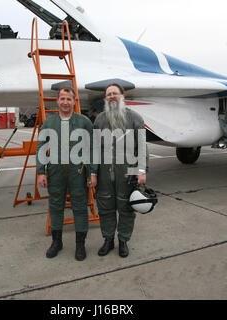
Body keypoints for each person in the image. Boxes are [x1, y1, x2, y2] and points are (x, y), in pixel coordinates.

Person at [36, 87, 95, 261]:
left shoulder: (84, 122)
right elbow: (41, 147)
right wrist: (41, 171)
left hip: (78, 173)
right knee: (55, 207)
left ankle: (80, 245)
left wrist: (92, 173)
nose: (65, 102)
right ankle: (57, 242)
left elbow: (91, 150)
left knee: (79, 207)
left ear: (74, 101)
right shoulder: (49, 123)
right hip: (55, 173)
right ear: (57, 101)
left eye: (69, 99)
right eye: (62, 98)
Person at [90, 83, 148, 258]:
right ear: (106, 99)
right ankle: (108, 240)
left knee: (126, 209)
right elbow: (94, 149)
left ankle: (123, 240)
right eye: (109, 94)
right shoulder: (99, 119)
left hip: (127, 172)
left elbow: (142, 147)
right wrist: (92, 173)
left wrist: (142, 170)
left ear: (123, 96)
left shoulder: (135, 118)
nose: (112, 96)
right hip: (104, 173)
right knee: (105, 208)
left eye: (115, 93)